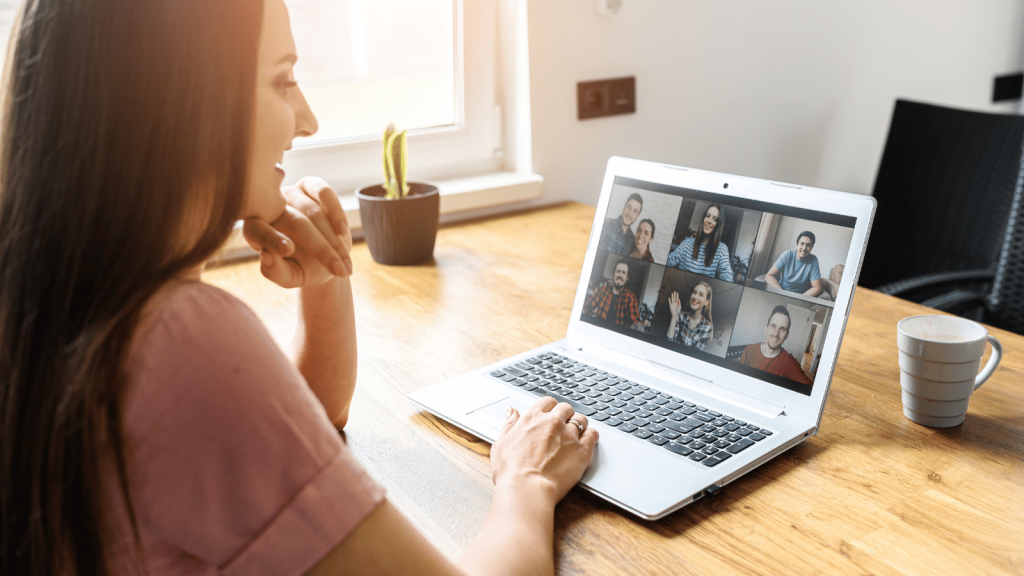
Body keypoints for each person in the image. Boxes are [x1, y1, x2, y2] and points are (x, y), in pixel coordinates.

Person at [0, 1, 598, 575]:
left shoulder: (57, 289)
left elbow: (294, 431)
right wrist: (527, 483)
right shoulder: (177, 336)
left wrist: (322, 281)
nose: (308, 118)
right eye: (282, 80)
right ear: (182, 102)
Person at [737, 306, 813, 385]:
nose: (776, 334)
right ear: (766, 328)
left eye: (782, 329)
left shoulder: (788, 362)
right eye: (773, 326)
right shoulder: (749, 350)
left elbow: (810, 389)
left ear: (787, 335)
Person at [666, 204, 734, 282]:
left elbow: (727, 276)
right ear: (703, 219)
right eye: (707, 216)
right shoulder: (687, 243)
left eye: (715, 219)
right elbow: (669, 260)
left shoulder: (722, 249)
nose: (709, 221)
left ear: (718, 225)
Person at [583, 260, 641, 328]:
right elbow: (587, 306)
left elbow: (635, 322)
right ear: (614, 273)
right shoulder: (603, 290)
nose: (620, 275)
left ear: (627, 278)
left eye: (623, 273)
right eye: (618, 271)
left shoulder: (630, 297)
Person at [765, 231, 824, 298]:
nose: (804, 248)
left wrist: (799, 298)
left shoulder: (813, 260)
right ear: (797, 245)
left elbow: (817, 288)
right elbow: (769, 276)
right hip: (782, 291)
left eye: (808, 245)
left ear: (811, 247)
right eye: (802, 244)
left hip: (800, 296)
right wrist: (781, 293)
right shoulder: (787, 254)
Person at [665, 282, 714, 351]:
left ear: (706, 302)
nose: (695, 297)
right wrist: (674, 316)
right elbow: (669, 342)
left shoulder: (707, 326)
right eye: (694, 292)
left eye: (701, 295)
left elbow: (695, 354)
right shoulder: (681, 315)